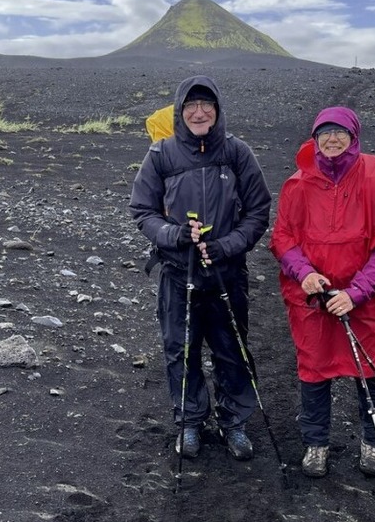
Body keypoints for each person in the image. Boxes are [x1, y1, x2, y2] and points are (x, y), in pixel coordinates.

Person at [269, 106, 375, 479]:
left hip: (365, 298)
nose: (332, 140)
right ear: (314, 139)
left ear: (354, 137)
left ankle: (374, 441)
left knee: (369, 371)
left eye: (340, 133)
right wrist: (304, 273)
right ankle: (316, 444)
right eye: (324, 133)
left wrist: (357, 291)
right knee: (314, 369)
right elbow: (283, 237)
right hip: (314, 301)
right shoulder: (298, 184)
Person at [130, 75, 271, 461]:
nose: (198, 112)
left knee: (232, 349)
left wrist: (226, 245)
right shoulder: (161, 155)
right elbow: (142, 211)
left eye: (206, 104)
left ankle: (234, 422)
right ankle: (190, 421)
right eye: (190, 106)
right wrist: (175, 235)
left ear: (218, 110)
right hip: (178, 273)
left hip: (227, 272)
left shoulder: (238, 152)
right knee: (182, 349)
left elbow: (259, 211)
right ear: (179, 111)